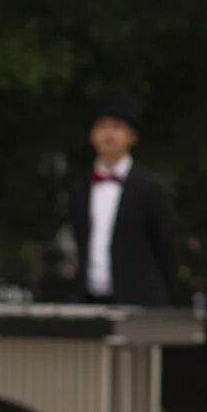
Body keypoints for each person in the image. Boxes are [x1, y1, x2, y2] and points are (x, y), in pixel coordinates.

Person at [69, 91, 180, 307]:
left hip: (140, 303)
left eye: (117, 127)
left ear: (132, 136)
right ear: (92, 135)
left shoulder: (152, 189)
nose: (109, 134)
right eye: (102, 127)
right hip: (90, 300)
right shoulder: (80, 189)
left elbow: (168, 250)